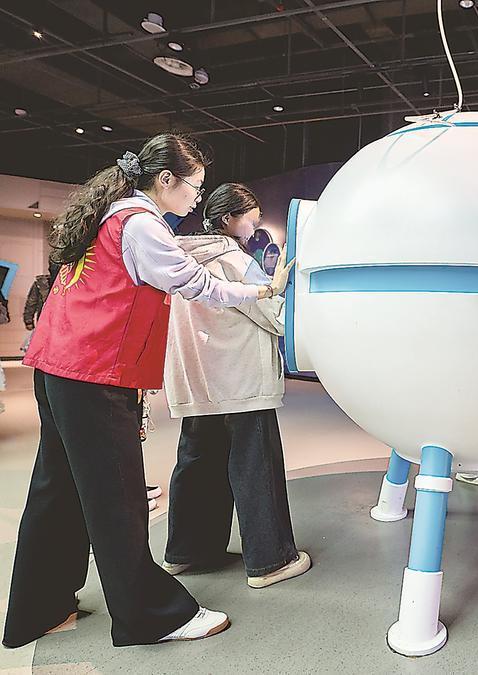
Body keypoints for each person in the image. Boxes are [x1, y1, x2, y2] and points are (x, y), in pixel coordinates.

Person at [4, 134, 292, 649]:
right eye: (194, 186)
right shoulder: (141, 223)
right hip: (93, 373)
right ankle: (150, 616)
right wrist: (265, 288)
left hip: (58, 366)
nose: (197, 198)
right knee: (117, 499)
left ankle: (41, 607)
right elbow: (197, 285)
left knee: (58, 491)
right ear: (165, 179)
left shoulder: (108, 215)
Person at [161, 183, 310, 588]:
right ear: (228, 219)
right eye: (251, 218)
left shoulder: (182, 259)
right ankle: (271, 561)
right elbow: (273, 315)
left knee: (197, 464)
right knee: (255, 467)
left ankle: (188, 553)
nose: (256, 226)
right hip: (242, 381)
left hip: (197, 381)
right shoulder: (236, 261)